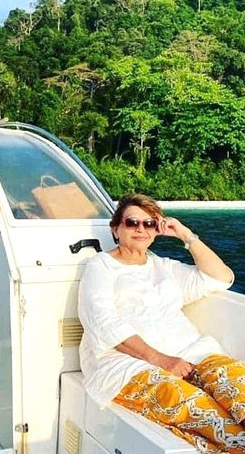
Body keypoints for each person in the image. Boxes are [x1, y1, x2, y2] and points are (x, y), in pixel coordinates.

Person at [78, 193, 242, 454]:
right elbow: (103, 323)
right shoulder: (101, 266)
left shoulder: (165, 267)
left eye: (149, 224)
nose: (141, 229)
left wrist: (186, 236)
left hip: (192, 352)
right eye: (132, 223)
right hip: (128, 365)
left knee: (238, 388)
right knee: (206, 414)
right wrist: (162, 360)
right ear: (115, 229)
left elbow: (221, 278)